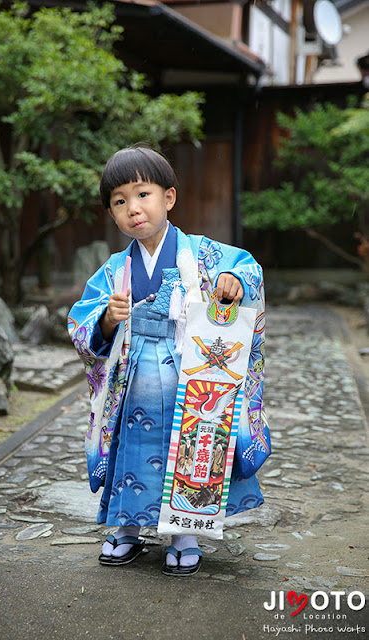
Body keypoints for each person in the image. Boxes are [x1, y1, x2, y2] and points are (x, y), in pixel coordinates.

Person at [68, 145, 268, 576]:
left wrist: (234, 281)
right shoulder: (113, 270)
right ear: (111, 214)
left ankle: (185, 532)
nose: (133, 209)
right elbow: (81, 324)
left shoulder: (204, 254)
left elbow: (246, 268)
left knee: (190, 446)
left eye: (142, 195)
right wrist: (105, 320)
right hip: (133, 373)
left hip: (189, 371)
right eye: (119, 202)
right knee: (131, 451)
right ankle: (126, 527)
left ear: (169, 198)